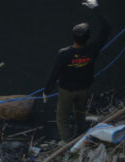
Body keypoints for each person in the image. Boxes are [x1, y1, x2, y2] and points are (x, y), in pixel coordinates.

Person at [43, 0, 111, 142]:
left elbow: (54, 73)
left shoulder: (64, 54)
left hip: (66, 91)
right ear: (88, 38)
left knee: (62, 118)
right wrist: (96, 9)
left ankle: (67, 144)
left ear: (73, 36)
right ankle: (81, 136)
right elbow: (106, 28)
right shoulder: (93, 49)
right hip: (84, 89)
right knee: (80, 113)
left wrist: (46, 91)